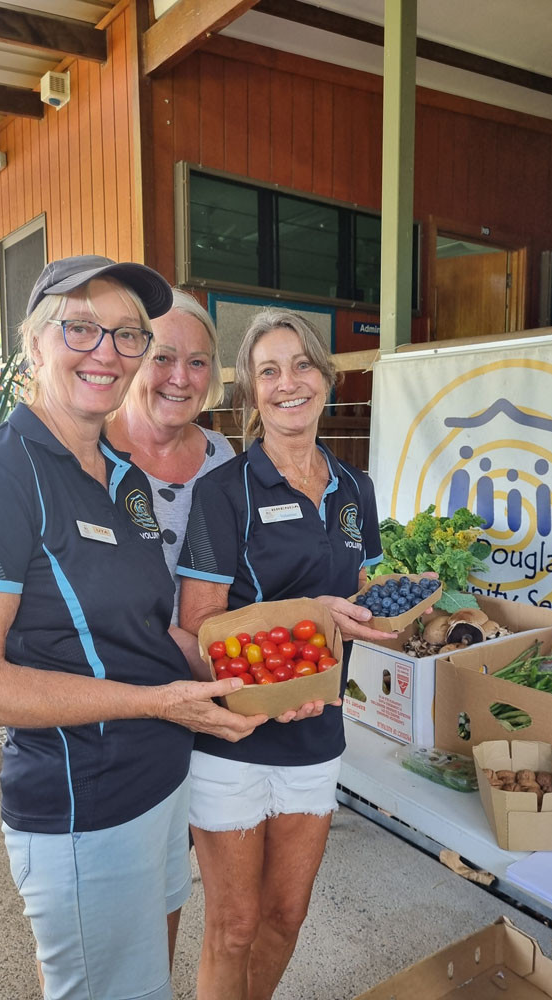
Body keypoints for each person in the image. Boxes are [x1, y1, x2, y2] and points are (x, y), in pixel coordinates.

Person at [0, 255, 266, 1000]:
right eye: (79, 328)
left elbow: (158, 633)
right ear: (33, 344)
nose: (106, 352)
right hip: (86, 799)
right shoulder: (12, 472)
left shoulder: (118, 473)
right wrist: (156, 703)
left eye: (125, 335)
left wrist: (251, 678)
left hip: (157, 781)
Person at [177, 309, 393, 1000]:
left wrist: (408, 606)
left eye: (301, 364)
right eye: (268, 370)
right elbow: (198, 627)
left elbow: (366, 594)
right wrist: (305, 620)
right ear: (252, 395)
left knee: (285, 916)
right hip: (237, 738)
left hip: (317, 733)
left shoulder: (354, 488)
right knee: (234, 926)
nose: (287, 382)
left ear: (326, 379)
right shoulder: (222, 492)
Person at [107, 288, 235, 626]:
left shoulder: (221, 454)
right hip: (118, 666)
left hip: (210, 660)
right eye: (162, 357)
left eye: (197, 362)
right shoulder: (91, 450)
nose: (180, 379)